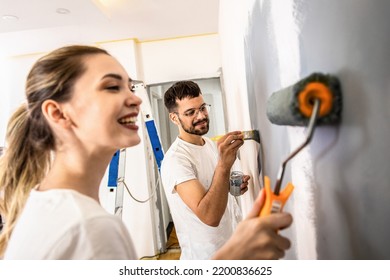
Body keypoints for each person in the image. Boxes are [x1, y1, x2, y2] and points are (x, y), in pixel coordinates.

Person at [0, 45, 292, 260]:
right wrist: (236, 254)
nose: (135, 99)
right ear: (58, 114)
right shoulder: (89, 228)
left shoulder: (55, 211)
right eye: (112, 87)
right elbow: (207, 215)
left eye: (129, 87)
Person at [161, 80, 292, 259]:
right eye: (190, 112)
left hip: (232, 246)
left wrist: (231, 187)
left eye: (202, 108)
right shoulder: (176, 160)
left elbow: (214, 188)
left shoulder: (210, 145)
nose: (200, 116)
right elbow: (209, 216)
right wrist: (224, 165)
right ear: (174, 118)